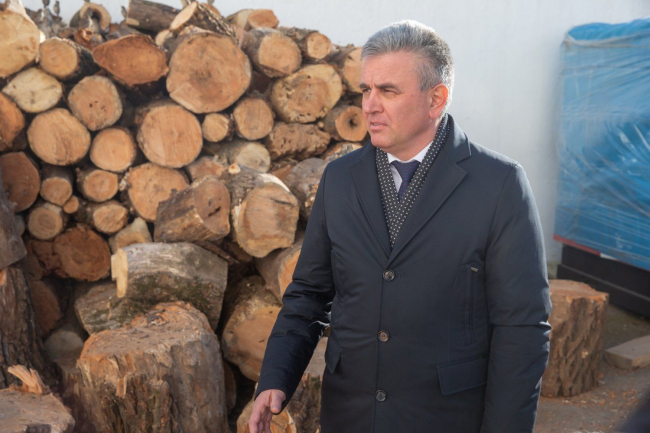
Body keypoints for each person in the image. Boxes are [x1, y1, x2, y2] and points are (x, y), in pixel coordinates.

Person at [249, 20, 552, 433]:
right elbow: (308, 294)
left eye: (388, 91)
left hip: (447, 419)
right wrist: (275, 377)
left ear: (435, 99)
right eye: (366, 90)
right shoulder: (339, 179)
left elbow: (522, 328)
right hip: (350, 415)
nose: (369, 105)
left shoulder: (500, 184)